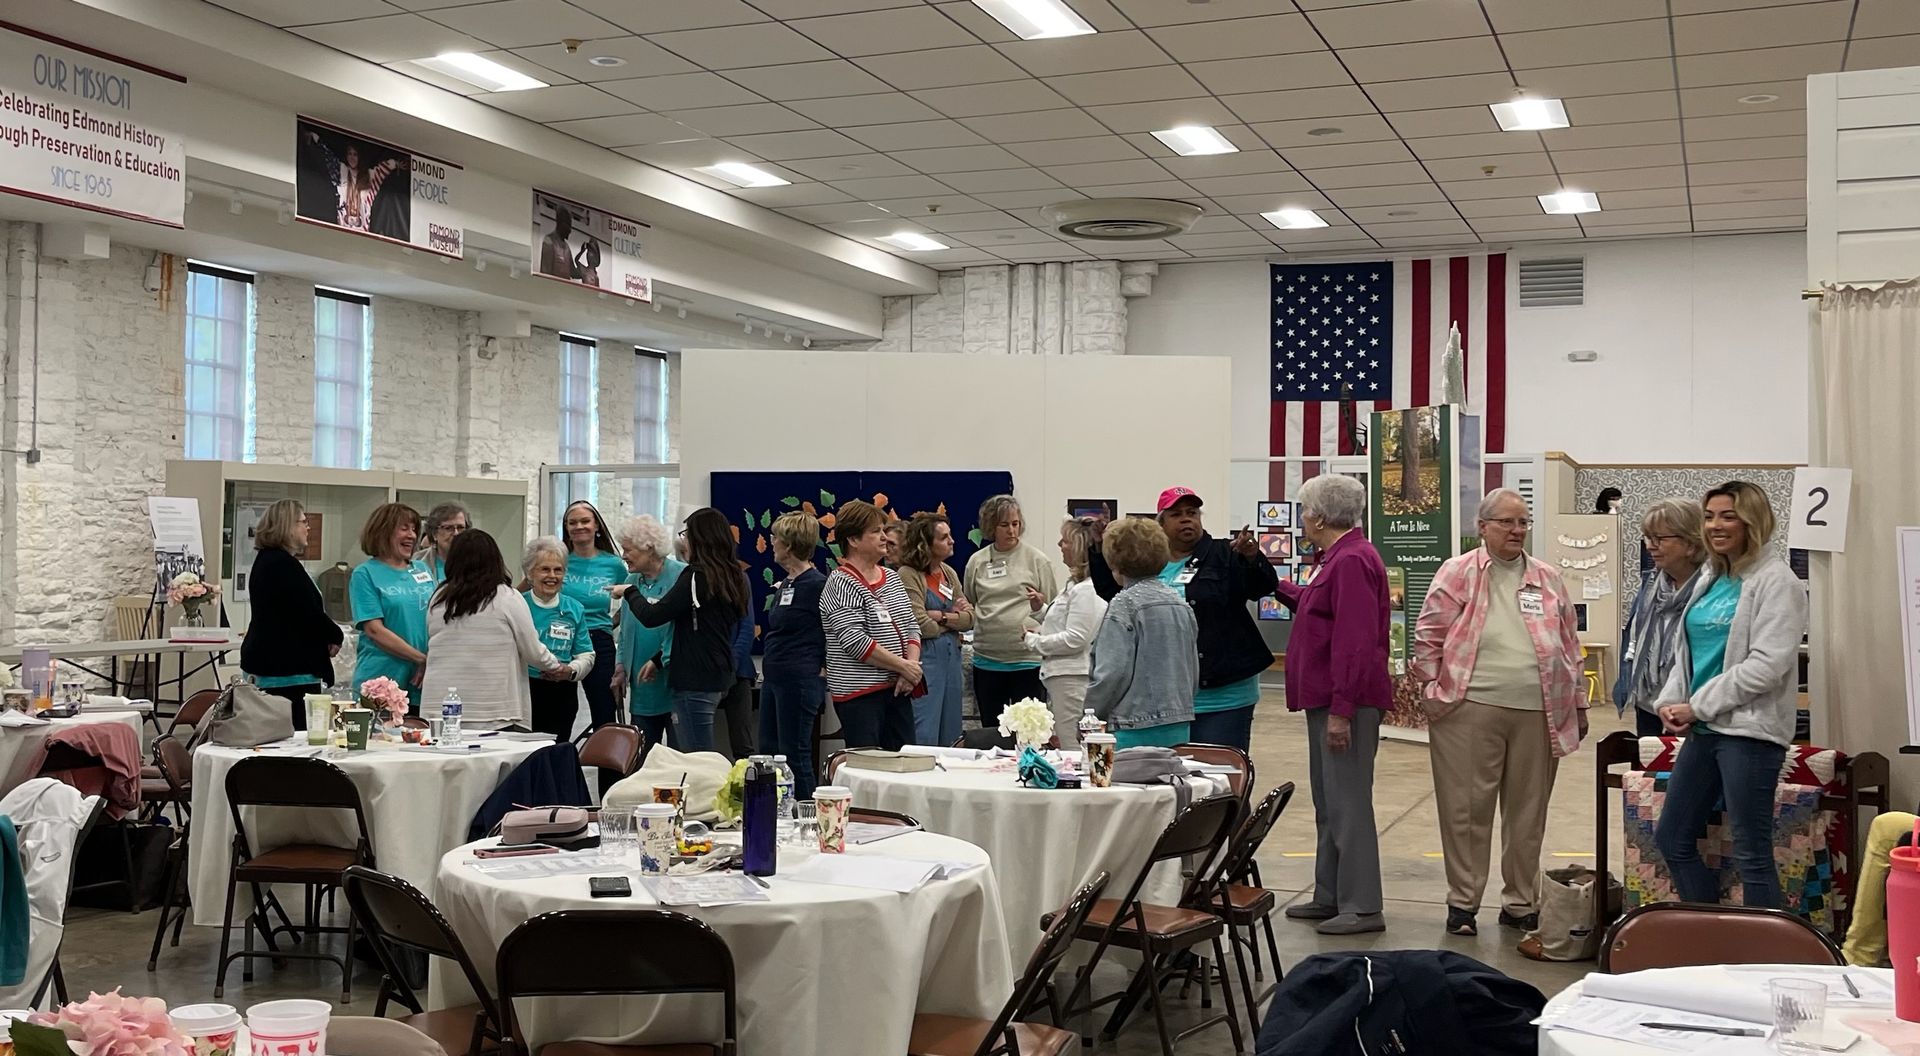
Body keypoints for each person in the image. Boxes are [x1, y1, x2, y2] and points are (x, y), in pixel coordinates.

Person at [1413, 488, 1586, 938]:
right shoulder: (1458, 572)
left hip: (1538, 709)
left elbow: (1570, 644)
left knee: (1528, 813)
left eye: (1523, 522)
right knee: (1466, 810)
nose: (1517, 530)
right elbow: (1430, 633)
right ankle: (1463, 903)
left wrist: (1579, 704)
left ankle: (1519, 903)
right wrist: (1431, 689)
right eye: (1507, 522)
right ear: (1483, 527)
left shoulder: (1548, 578)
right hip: (1470, 706)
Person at [1653, 481, 1806, 909]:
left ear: (1752, 521)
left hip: (1750, 734)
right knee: (1672, 837)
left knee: (1751, 852)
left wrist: (1697, 704)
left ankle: (1763, 958)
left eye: (1728, 515)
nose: (1715, 525)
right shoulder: (1710, 578)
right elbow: (1687, 650)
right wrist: (1672, 699)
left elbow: (1767, 665)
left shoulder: (1777, 582)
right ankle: (1713, 937)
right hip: (1704, 730)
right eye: (1709, 516)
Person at [1273, 475, 1391, 936]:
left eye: (1304, 512)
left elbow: (1355, 642)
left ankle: (1363, 906)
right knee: (1329, 801)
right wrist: (1275, 584)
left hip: (1347, 703)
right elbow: (1317, 609)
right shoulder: (1336, 560)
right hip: (1326, 701)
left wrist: (1343, 709)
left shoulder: (1353, 560)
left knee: (1349, 804)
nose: (1302, 519)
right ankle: (1331, 895)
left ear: (1320, 516)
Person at [1090, 487, 1278, 752]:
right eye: (1177, 514)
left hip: (1225, 693)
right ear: (1161, 524)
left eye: (1192, 513)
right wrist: (1100, 550)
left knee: (1219, 776)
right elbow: (1115, 593)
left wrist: (1251, 557)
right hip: (1168, 701)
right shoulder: (1149, 562)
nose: (1187, 519)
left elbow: (1262, 588)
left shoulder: (1225, 553)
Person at [614, 508, 746, 753]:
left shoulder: (695, 576)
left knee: (694, 759)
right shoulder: (731, 575)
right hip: (715, 674)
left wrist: (629, 593)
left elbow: (654, 617)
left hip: (694, 678)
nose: (683, 540)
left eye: (687, 534)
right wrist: (655, 659)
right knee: (698, 755)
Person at [421, 530, 570, 727]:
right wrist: (557, 667)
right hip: (494, 710)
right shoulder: (507, 597)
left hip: (441, 708)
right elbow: (533, 651)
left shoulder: (439, 598)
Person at [1085, 517, 1197, 748]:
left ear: (1116, 563)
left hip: (1132, 726)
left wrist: (1089, 716)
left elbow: (1111, 673)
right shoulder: (1180, 603)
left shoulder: (1123, 605)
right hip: (1179, 723)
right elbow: (1192, 668)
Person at [819, 500, 922, 751]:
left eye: (884, 530)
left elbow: (912, 627)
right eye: (876, 531)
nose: (885, 537)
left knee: (904, 763)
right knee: (868, 768)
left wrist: (910, 669)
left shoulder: (893, 578)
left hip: (898, 690)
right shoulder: (840, 583)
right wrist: (905, 667)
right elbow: (855, 641)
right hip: (860, 696)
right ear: (853, 540)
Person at [240, 499, 343, 729]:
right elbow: (306, 612)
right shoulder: (280, 564)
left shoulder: (272, 561)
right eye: (303, 522)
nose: (308, 527)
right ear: (287, 526)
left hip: (278, 666)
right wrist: (335, 634)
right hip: (286, 674)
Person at [1615, 498, 1707, 737]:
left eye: (1660, 539)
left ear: (1691, 543)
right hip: (1648, 703)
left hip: (1691, 707)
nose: (1650, 546)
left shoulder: (1712, 589)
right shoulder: (1651, 584)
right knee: (1649, 773)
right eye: (1647, 537)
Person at [963, 495, 1056, 730]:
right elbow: (971, 600)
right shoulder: (977, 562)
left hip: (1027, 661)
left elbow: (1053, 608)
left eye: (1015, 524)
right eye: (1004, 525)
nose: (1011, 530)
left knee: (1030, 732)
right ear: (991, 527)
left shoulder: (1038, 561)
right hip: (987, 661)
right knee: (992, 732)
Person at [760, 512, 827, 796]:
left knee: (795, 754)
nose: (771, 542)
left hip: (799, 679)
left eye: (776, 538)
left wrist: (821, 670)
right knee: (769, 750)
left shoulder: (817, 584)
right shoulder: (786, 584)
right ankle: (776, 817)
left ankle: (808, 819)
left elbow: (831, 632)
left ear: (788, 545)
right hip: (774, 677)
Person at [1026, 516, 1106, 749]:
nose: (1060, 546)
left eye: (1065, 541)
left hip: (1073, 680)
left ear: (1080, 547)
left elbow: (1076, 639)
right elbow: (1064, 624)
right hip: (1062, 678)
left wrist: (1033, 641)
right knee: (1067, 743)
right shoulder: (1074, 586)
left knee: (1074, 746)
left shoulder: (1086, 590)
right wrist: (1040, 611)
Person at [349, 502, 434, 713]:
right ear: (383, 531)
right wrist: (421, 659)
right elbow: (374, 630)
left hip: (421, 680)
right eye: (404, 528)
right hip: (382, 680)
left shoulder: (422, 569)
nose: (412, 535)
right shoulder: (365, 573)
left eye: (414, 529)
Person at [898, 512, 973, 747]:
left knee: (951, 730)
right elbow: (919, 623)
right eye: (943, 537)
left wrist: (939, 616)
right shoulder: (908, 574)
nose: (952, 541)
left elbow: (970, 619)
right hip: (926, 661)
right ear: (925, 544)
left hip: (952, 660)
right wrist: (951, 618)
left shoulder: (948, 573)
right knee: (925, 727)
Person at [612, 516, 682, 755]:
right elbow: (626, 631)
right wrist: (620, 667)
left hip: (674, 684)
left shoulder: (681, 576)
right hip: (641, 686)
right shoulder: (631, 581)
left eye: (628, 549)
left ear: (649, 548)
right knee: (641, 760)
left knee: (679, 757)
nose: (623, 555)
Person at [520, 536, 597, 740]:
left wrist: (570, 671)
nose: (552, 576)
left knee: (557, 753)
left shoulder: (574, 608)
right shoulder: (517, 605)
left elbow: (586, 654)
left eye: (558, 570)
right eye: (544, 569)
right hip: (525, 691)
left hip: (563, 693)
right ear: (530, 573)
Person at [560, 501, 626, 731]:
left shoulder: (614, 564)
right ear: (566, 528)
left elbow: (634, 594)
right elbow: (529, 591)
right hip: (562, 640)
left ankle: (609, 766)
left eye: (585, 521)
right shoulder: (559, 560)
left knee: (604, 711)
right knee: (562, 712)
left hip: (599, 638)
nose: (579, 526)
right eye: (572, 522)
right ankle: (560, 766)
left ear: (596, 525)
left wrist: (614, 621)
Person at [717, 574, 758, 759]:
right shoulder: (690, 577)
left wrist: (730, 664)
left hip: (738, 671)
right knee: (698, 748)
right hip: (705, 671)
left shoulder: (738, 578)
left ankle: (747, 784)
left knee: (743, 746)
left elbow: (746, 628)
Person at [418, 501, 469, 583]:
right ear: (434, 533)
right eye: (448, 528)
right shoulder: (417, 562)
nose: (456, 533)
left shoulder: (478, 563)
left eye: (460, 528)